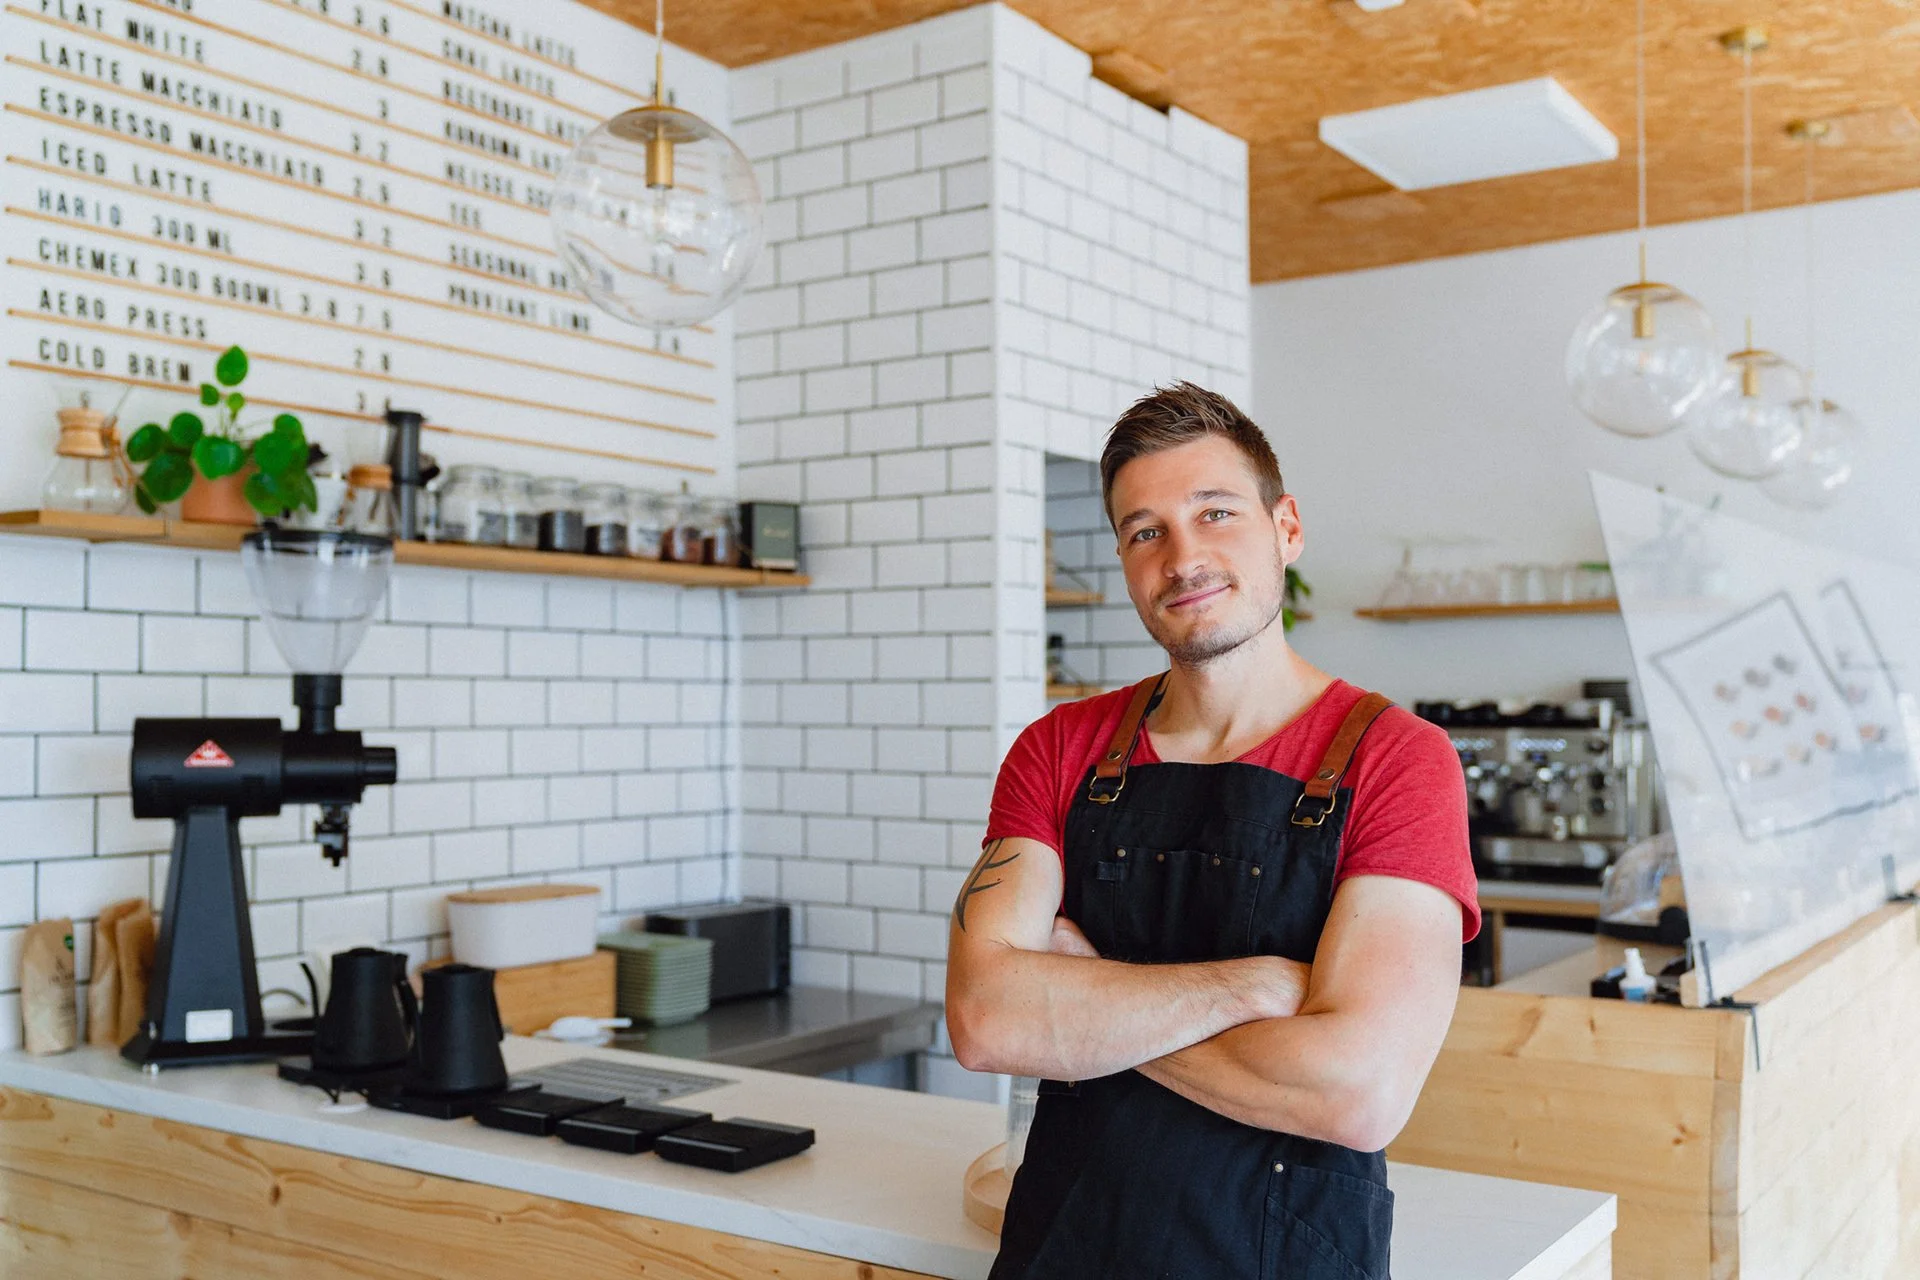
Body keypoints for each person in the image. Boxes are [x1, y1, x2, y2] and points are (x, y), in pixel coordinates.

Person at [945, 382, 1478, 1280]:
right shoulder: (1059, 747)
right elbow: (986, 1018)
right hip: (1065, 1251)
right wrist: (1251, 989)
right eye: (1144, 530)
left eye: (1216, 512)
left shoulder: (1398, 760)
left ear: (1287, 527)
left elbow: (1357, 1090)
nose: (1182, 556)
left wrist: (1083, 995)